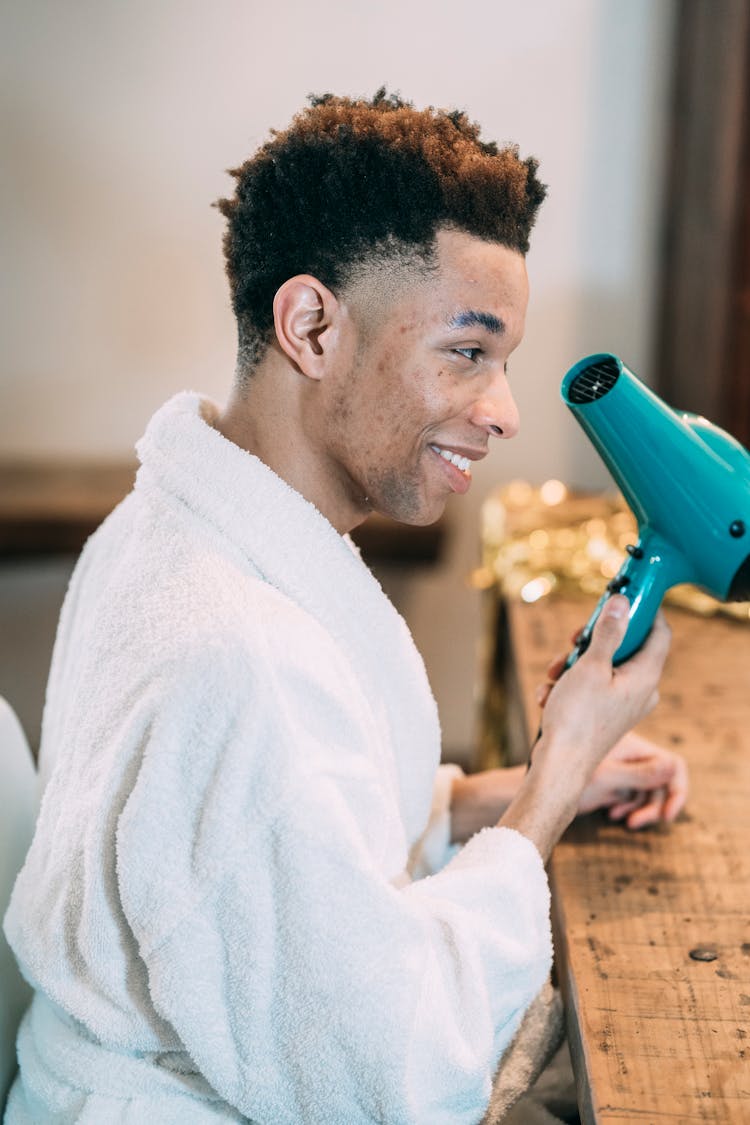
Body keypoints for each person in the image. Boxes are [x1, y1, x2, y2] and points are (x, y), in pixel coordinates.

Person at [4, 90, 686, 1124]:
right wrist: (550, 785)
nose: (502, 411)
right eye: (467, 351)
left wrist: (517, 785)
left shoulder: (161, 529)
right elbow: (390, 1079)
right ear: (313, 325)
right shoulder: (235, 655)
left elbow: (289, 835)